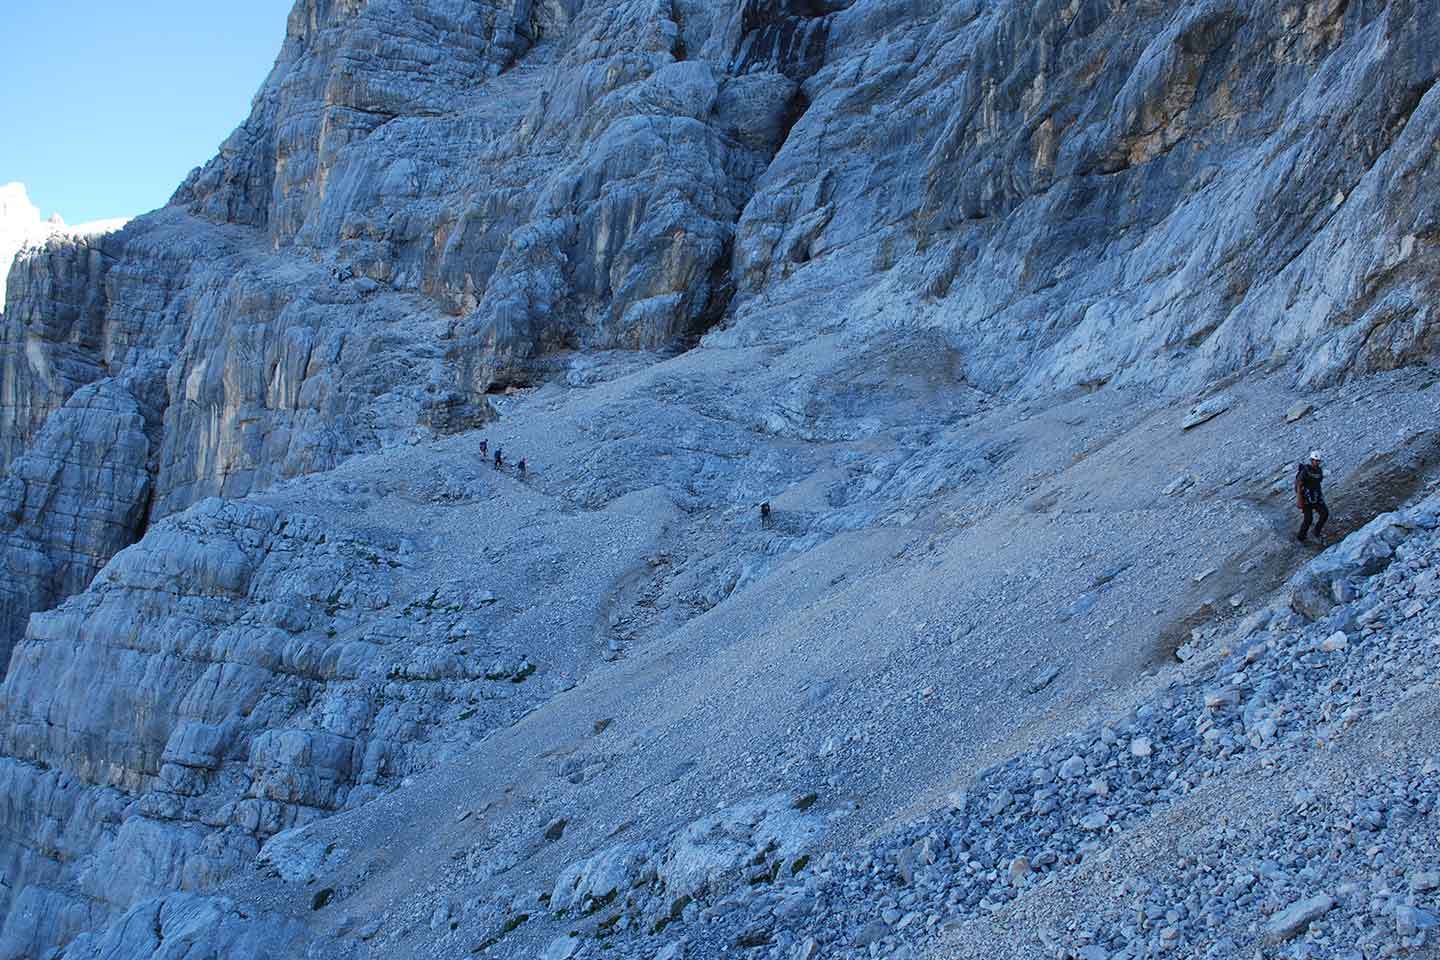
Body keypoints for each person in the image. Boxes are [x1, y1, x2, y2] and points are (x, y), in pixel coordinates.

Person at [1295, 450, 1328, 543]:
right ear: (1311, 460)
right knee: (1308, 519)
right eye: (1315, 461)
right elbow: (1298, 485)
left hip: (1316, 497)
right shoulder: (1305, 471)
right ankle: (1300, 538)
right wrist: (1299, 499)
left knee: (1325, 514)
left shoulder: (1319, 471)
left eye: (1318, 461)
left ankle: (1316, 532)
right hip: (1306, 499)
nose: (1317, 463)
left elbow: (1318, 483)